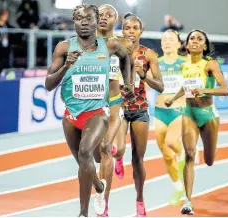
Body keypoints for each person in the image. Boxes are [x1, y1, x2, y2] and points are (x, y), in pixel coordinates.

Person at [45, 4, 134, 217]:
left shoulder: (110, 45)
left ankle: (83, 214)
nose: (84, 22)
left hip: (98, 113)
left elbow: (126, 58)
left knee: (87, 152)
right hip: (71, 117)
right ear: (73, 22)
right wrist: (66, 66)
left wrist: (128, 83)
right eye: (78, 18)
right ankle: (98, 185)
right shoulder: (63, 48)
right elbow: (48, 84)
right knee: (84, 164)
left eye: (88, 18)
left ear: (96, 21)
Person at [165, 29, 228, 215]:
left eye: (199, 39)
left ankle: (208, 150)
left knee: (209, 161)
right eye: (191, 38)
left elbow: (224, 90)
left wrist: (206, 91)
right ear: (186, 45)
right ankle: (188, 201)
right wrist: (174, 98)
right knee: (190, 154)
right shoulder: (184, 66)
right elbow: (186, 87)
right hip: (189, 112)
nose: (194, 41)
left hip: (208, 114)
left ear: (205, 45)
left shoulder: (210, 64)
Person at [114, 13, 164, 216]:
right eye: (127, 28)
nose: (131, 31)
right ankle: (117, 158)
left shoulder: (149, 55)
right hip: (118, 107)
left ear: (141, 32)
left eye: (135, 28)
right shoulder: (113, 53)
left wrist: (143, 74)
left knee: (138, 160)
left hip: (140, 111)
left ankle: (140, 200)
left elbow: (160, 86)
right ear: (122, 30)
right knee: (118, 150)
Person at [92, 4, 134, 217]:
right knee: (95, 154)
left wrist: (128, 84)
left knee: (108, 148)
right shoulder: (84, 42)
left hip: (114, 100)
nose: (103, 17)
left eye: (109, 15)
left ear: (115, 21)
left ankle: (103, 202)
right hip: (91, 103)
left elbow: (128, 61)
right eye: (100, 14)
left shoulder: (119, 43)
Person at [155, 29, 187, 206]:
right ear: (161, 44)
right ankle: (177, 187)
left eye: (171, 39)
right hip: (160, 112)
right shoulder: (156, 63)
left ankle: (185, 154)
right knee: (166, 156)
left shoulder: (185, 62)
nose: (167, 42)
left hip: (179, 110)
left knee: (172, 142)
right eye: (164, 39)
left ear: (178, 43)